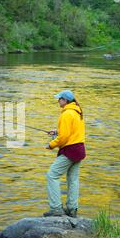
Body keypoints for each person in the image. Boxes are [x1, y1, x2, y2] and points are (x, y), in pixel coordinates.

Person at [44, 90, 86, 218]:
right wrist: (56, 131)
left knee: (52, 175)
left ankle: (56, 208)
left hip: (70, 150)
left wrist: (51, 145)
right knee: (73, 180)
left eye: (60, 98)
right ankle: (72, 209)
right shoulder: (77, 111)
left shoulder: (67, 114)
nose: (58, 101)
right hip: (79, 149)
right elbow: (70, 131)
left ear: (65, 100)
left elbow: (64, 138)